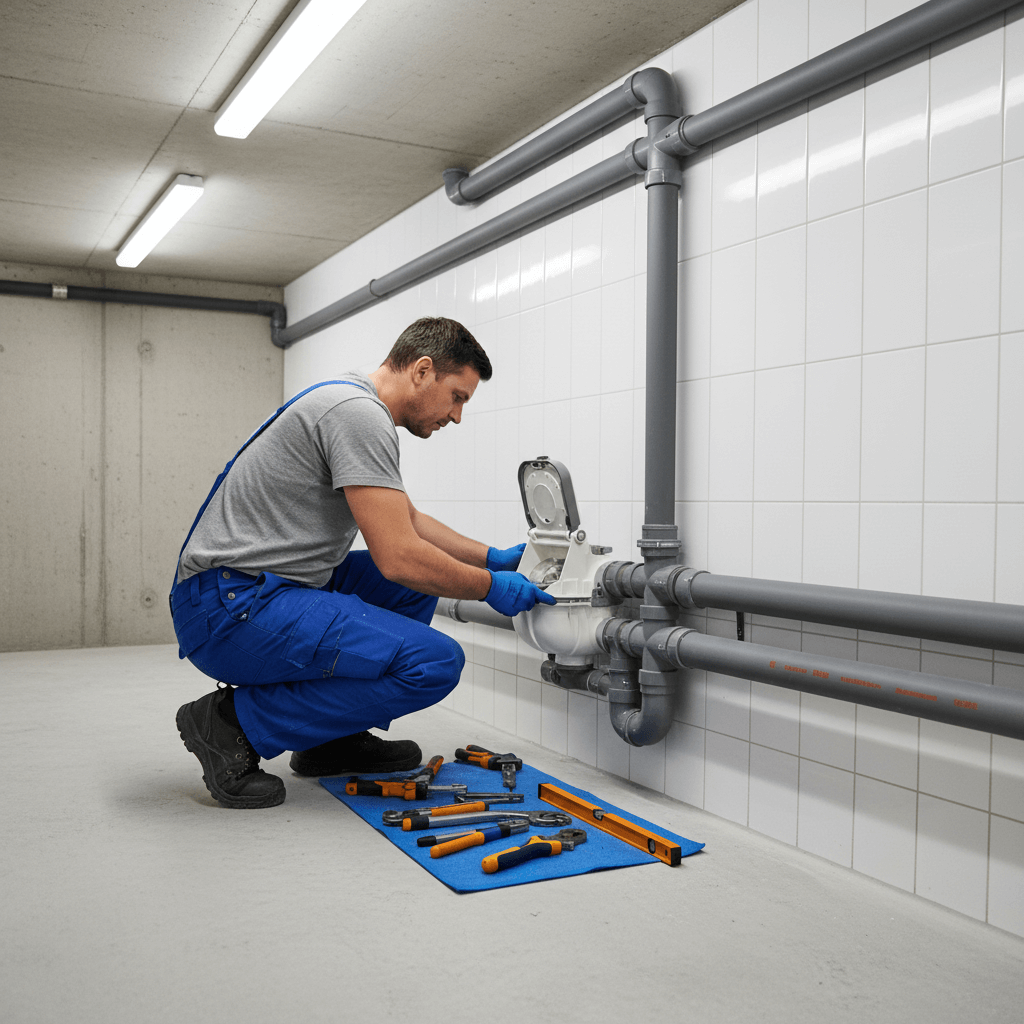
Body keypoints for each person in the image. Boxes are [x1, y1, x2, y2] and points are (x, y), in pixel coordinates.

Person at [169, 316, 554, 809]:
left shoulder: (351, 401)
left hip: (247, 590)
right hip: (229, 607)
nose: (456, 416)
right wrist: (489, 587)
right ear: (421, 370)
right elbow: (397, 556)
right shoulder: (357, 414)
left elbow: (407, 520)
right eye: (457, 396)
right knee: (433, 662)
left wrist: (492, 557)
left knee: (414, 588)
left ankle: (327, 738)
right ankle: (229, 723)